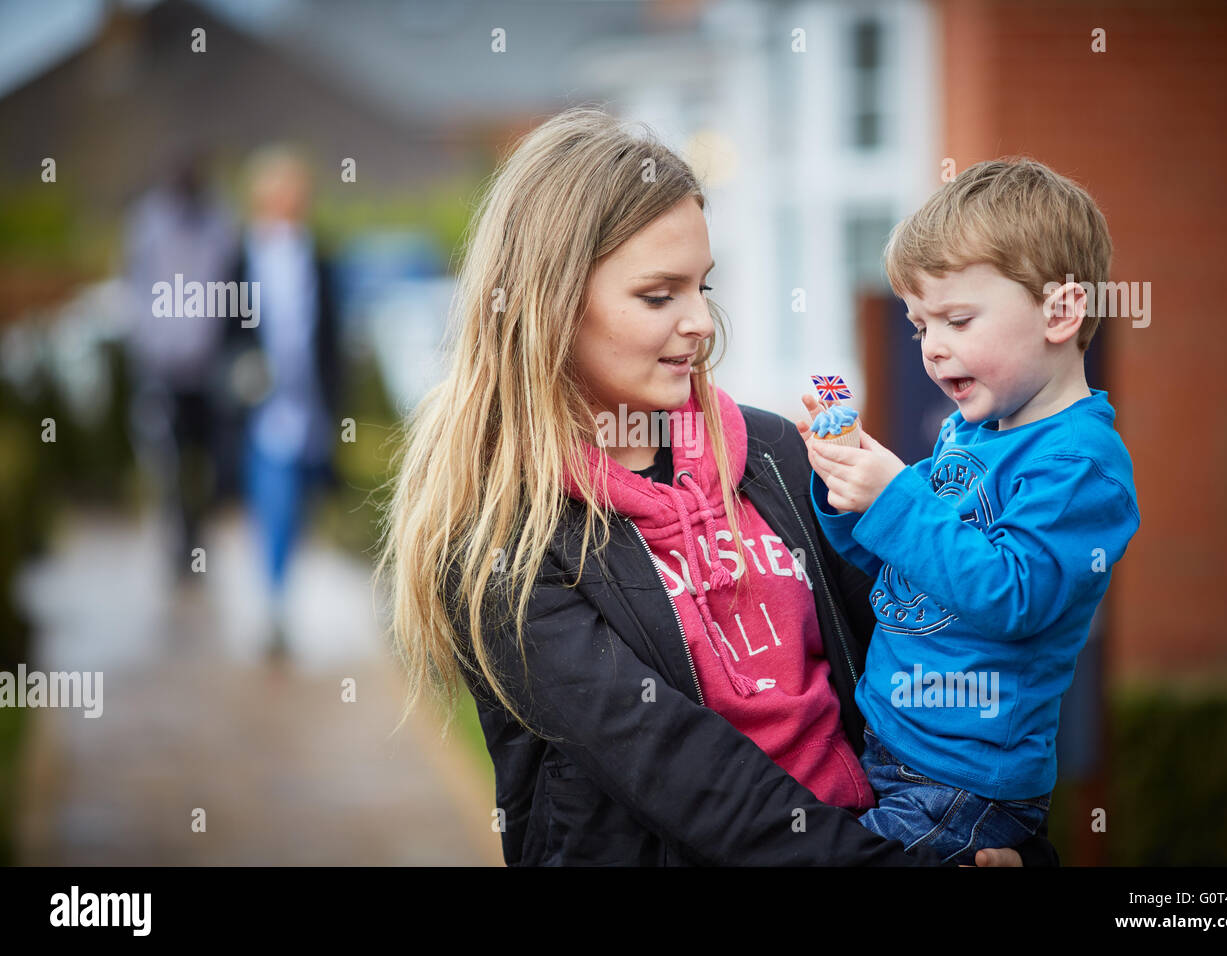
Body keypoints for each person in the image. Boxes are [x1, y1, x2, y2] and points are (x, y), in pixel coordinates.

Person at [381, 108, 1057, 866]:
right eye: (659, 295)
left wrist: (1003, 838)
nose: (702, 320)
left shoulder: (772, 451)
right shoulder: (503, 537)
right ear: (552, 303)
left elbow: (916, 642)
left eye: (702, 286)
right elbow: (683, 772)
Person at [800, 159, 1140, 863]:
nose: (933, 348)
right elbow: (909, 556)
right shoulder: (973, 431)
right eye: (920, 325)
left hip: (964, 784)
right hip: (890, 745)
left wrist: (893, 496)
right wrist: (845, 488)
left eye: (957, 319)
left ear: (1060, 312)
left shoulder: (1079, 466)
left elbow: (1011, 596)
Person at [224, 146, 341, 658]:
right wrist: (246, 368)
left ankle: (280, 591)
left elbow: (332, 337)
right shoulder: (242, 256)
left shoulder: (317, 254)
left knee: (298, 508)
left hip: (308, 409)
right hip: (260, 408)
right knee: (273, 499)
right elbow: (226, 331)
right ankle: (273, 603)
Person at [123, 150, 238, 577]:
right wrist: (149, 344)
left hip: (207, 371)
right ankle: (178, 543)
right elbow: (135, 287)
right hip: (162, 368)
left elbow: (233, 286)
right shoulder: (147, 224)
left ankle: (198, 538)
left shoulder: (220, 223)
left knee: (206, 461)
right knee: (166, 460)